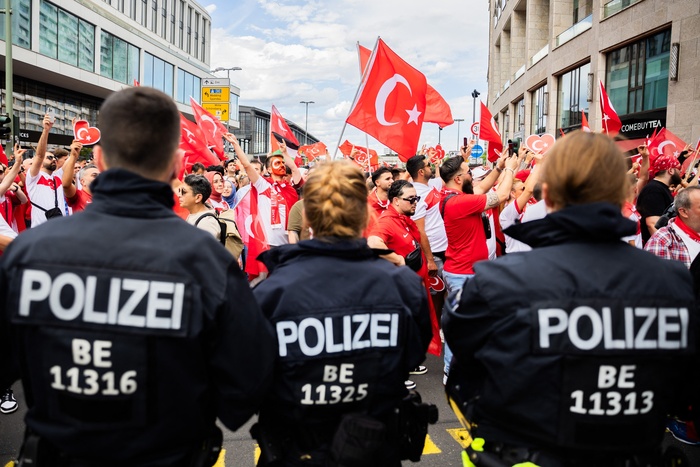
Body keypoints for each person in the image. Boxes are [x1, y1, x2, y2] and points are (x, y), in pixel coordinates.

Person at [0, 87, 275, 466]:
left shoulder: (30, 253)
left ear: (99, 157)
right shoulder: (205, 260)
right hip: (167, 452)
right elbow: (248, 383)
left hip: (61, 450)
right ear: (177, 164)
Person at [444, 131, 697, 466]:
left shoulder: (498, 283)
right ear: (625, 194)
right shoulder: (674, 283)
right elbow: (682, 389)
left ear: (547, 195)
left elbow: (464, 382)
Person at [252, 160, 433, 467]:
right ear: (364, 213)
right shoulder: (402, 285)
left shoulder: (270, 294)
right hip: (371, 448)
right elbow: (413, 354)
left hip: (299, 450)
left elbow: (247, 382)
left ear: (308, 214)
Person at [25, 115, 68, 226]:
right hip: (41, 230)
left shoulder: (58, 176)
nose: (53, 159)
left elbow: (71, 159)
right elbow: (40, 155)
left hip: (60, 228)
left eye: (54, 158)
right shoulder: (34, 177)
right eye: (49, 157)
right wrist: (46, 130)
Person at [636, 154, 680, 244]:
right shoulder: (654, 189)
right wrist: (667, 247)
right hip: (659, 247)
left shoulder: (660, 188)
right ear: (671, 170)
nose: (680, 172)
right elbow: (652, 224)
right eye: (678, 169)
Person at [179, 174, 220, 241]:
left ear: (198, 198)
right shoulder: (194, 214)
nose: (179, 195)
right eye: (179, 191)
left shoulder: (206, 223)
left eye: (184, 192)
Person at [61, 140, 99, 213]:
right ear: (82, 181)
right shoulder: (78, 196)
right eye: (94, 175)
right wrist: (73, 156)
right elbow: (66, 185)